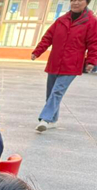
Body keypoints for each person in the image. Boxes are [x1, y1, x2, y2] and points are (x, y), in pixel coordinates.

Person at [32, 0, 97, 132]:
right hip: (55, 62)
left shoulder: (91, 22)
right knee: (51, 92)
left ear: (87, 2)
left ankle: (45, 119)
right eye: (73, 0)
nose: (75, 3)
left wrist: (91, 61)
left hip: (72, 64)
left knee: (57, 91)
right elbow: (48, 37)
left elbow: (94, 43)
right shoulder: (61, 20)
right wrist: (37, 51)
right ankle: (53, 119)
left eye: (79, 0)